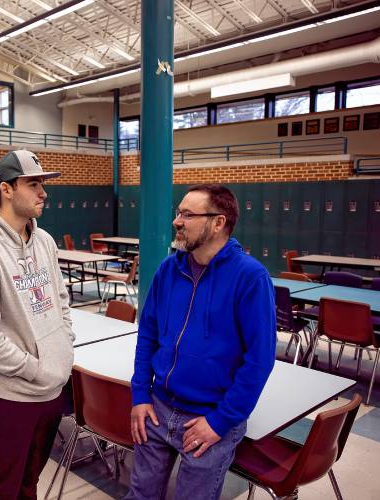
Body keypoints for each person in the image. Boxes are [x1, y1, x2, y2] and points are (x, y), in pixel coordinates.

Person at [126, 184, 276, 500]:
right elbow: (148, 335)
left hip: (207, 419)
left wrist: (220, 421)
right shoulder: (169, 269)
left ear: (218, 222)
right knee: (140, 495)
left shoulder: (250, 277)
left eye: (187, 214)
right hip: (158, 407)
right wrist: (141, 394)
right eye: (178, 213)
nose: (177, 221)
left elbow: (259, 360)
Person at [0, 149, 74, 499]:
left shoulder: (45, 241)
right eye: (34, 184)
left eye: (43, 184)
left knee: (29, 482)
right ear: (6, 189)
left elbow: (61, 302)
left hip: (52, 391)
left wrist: (62, 350)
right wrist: (35, 369)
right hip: (12, 396)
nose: (44, 193)